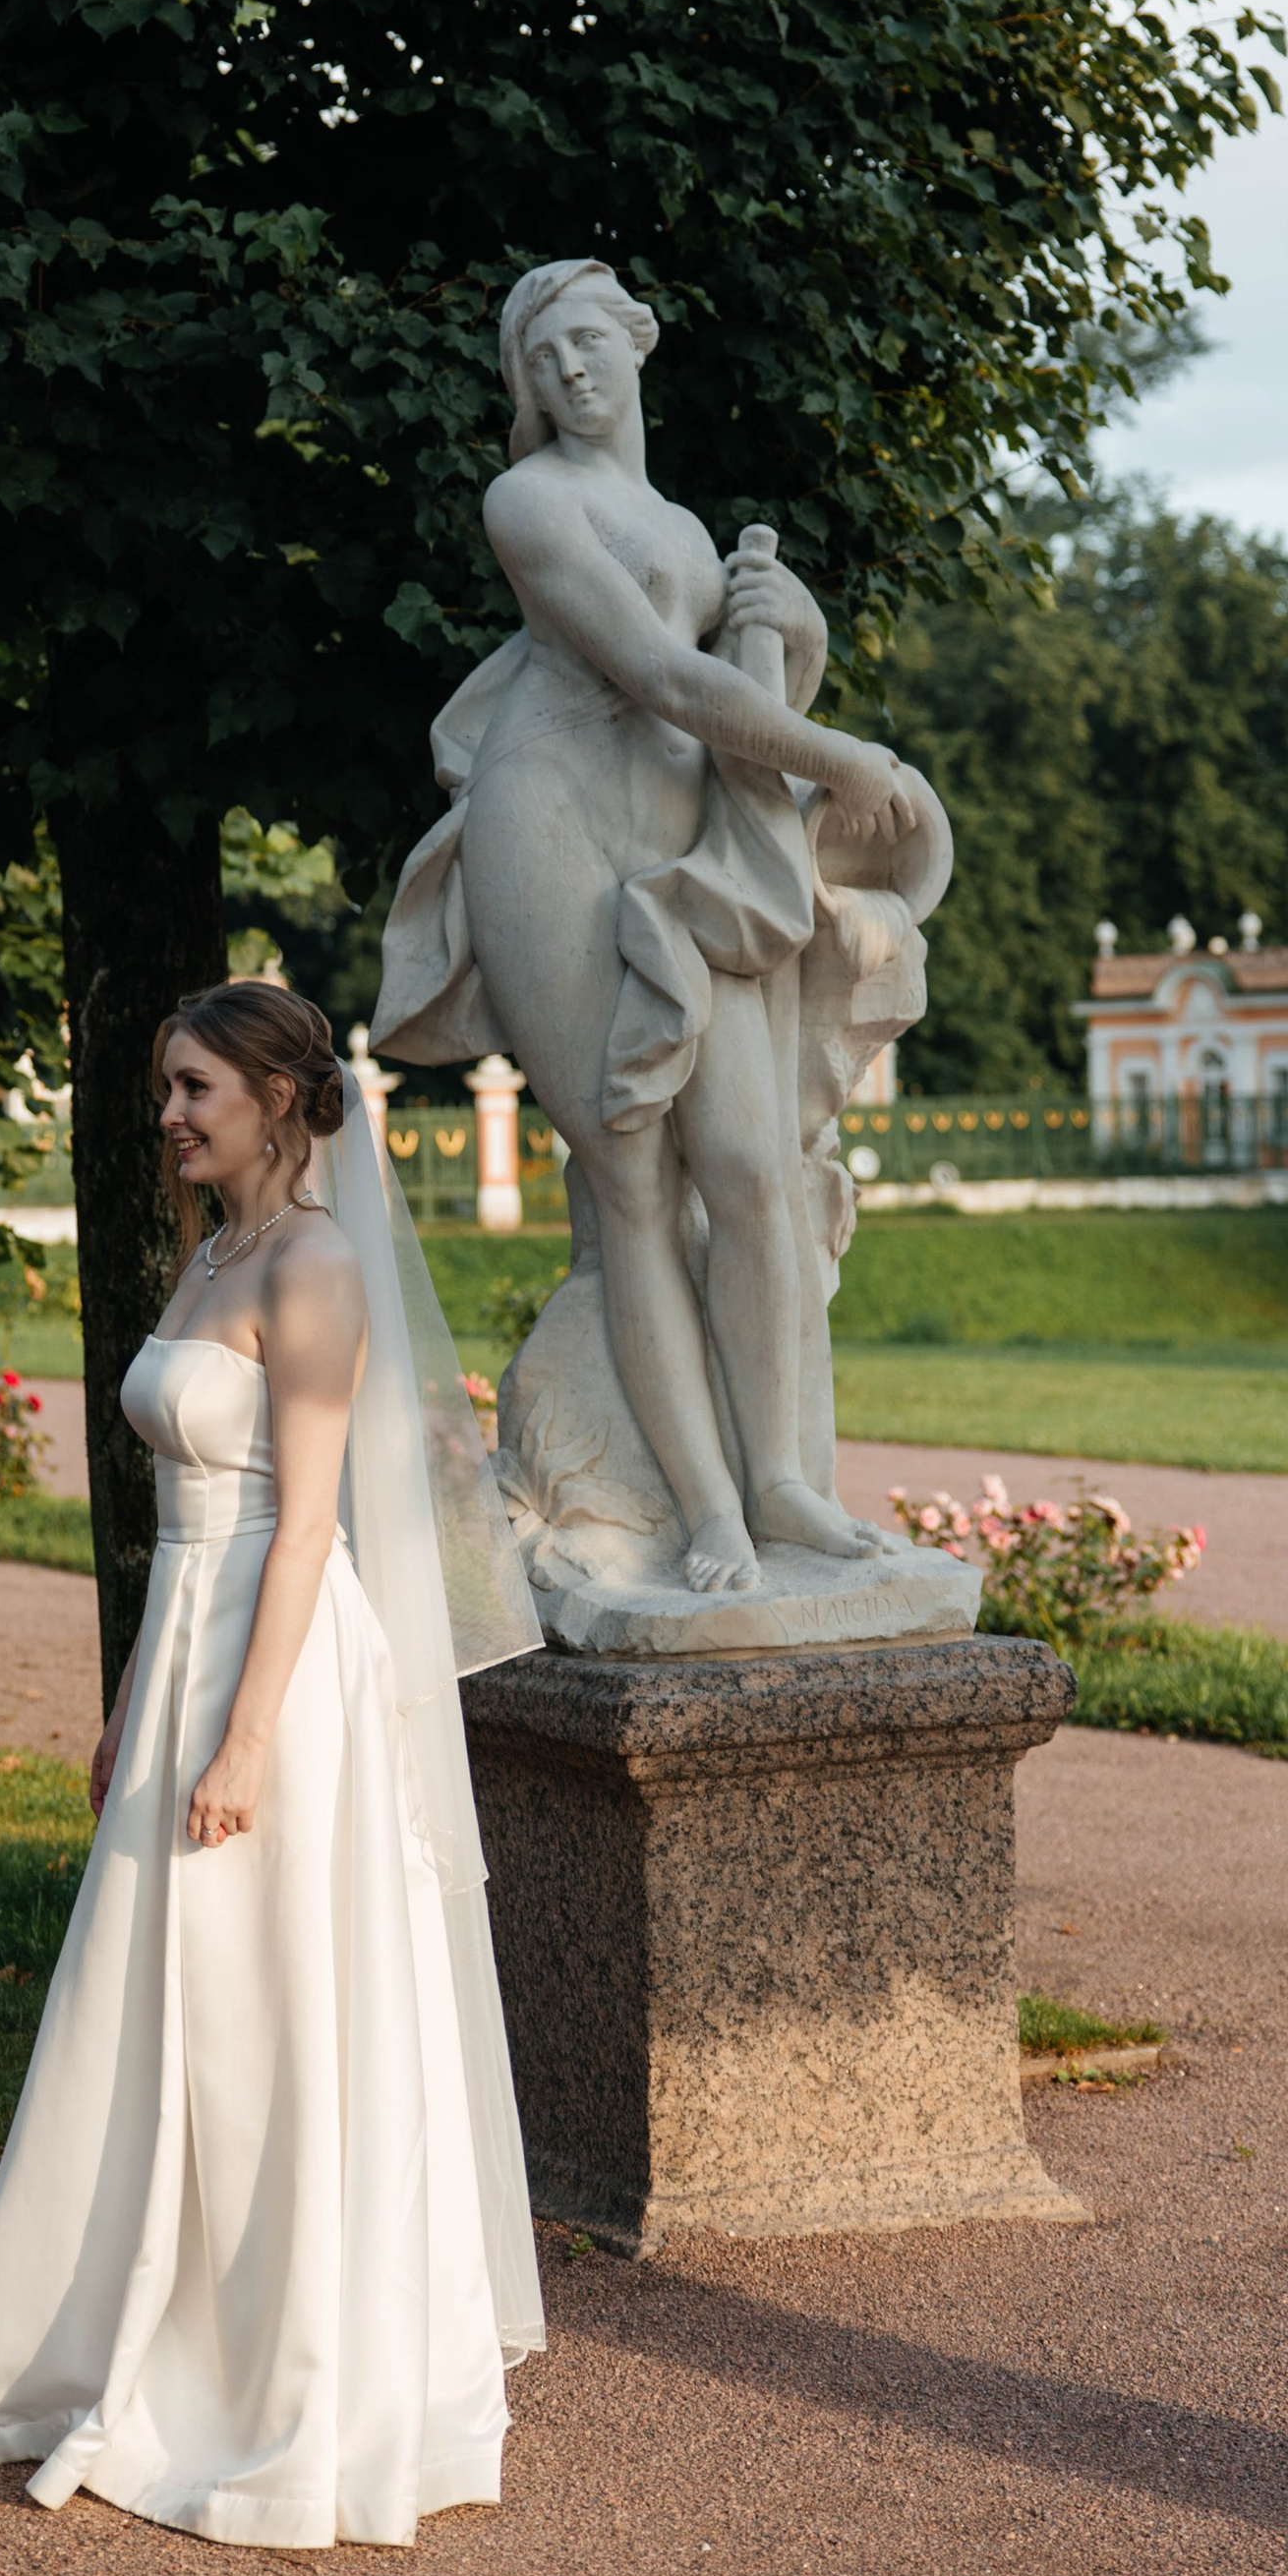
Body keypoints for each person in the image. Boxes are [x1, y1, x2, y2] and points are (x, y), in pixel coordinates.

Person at [0, 981, 545, 2548]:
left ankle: (280, 2375)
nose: (169, 1114)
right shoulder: (214, 1256)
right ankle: (126, 2333)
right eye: (166, 1087)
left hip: (281, 1666)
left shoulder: (315, 1266)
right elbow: (180, 1526)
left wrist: (249, 1734)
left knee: (266, 2010)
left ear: (276, 1094)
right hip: (190, 1647)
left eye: (195, 1088)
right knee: (145, 2002)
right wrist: (138, 1697)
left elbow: (307, 1525)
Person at [373, 256, 950, 1597]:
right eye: (540, 363)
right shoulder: (527, 498)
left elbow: (725, 686)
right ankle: (709, 1515)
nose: (569, 374)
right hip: (554, 835)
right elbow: (652, 673)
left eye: (585, 343)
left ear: (636, 339)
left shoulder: (688, 528)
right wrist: (842, 747)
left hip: (687, 851)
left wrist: (789, 640)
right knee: (631, 1182)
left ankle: (786, 1481)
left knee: (750, 1170)